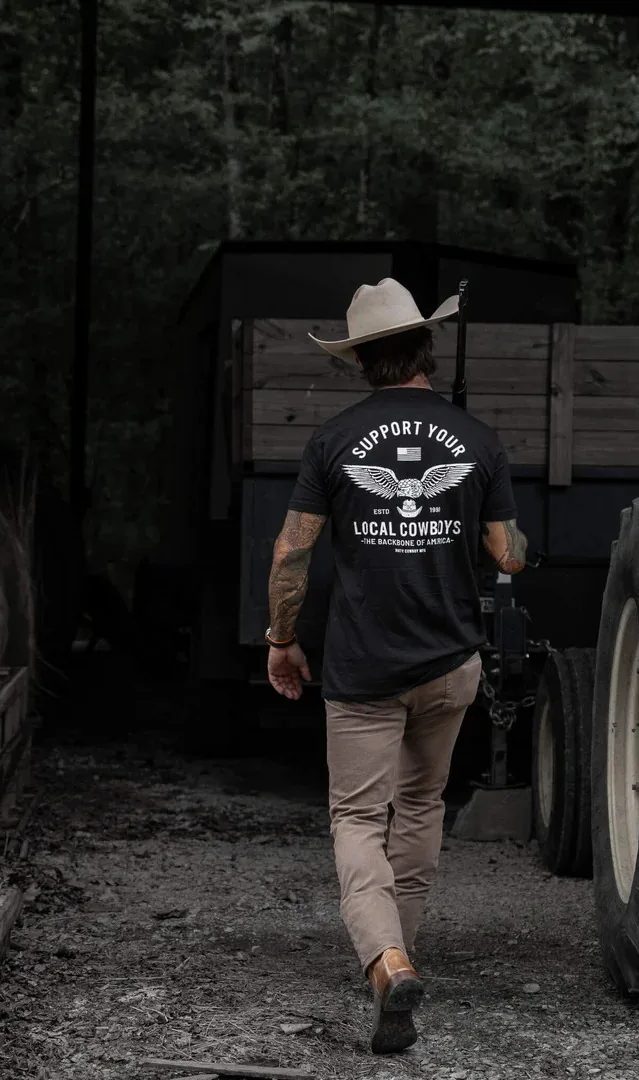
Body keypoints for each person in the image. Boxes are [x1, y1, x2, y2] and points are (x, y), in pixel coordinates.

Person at [264, 278, 528, 1055]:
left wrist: (283, 638)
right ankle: (395, 956)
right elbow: (509, 554)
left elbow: (294, 552)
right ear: (427, 351)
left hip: (363, 667)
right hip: (449, 664)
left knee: (356, 818)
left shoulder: (334, 440)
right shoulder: (477, 440)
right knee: (419, 809)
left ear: (363, 363)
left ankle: (385, 959)